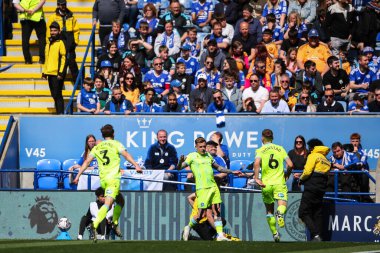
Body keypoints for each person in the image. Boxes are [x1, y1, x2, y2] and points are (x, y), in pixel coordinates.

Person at [73, 124, 142, 242]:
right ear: (113, 134)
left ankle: (114, 223)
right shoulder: (116, 144)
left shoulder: (97, 147)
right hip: (113, 180)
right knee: (108, 204)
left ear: (103, 135)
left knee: (120, 200)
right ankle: (94, 225)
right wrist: (136, 165)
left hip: (103, 180)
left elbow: (86, 162)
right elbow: (126, 155)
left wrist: (78, 176)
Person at [180, 137, 242, 241]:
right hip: (202, 188)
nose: (203, 149)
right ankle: (189, 227)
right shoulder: (192, 156)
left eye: (204, 146)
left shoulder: (208, 156)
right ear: (196, 147)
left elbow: (219, 168)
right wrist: (179, 162)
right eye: (200, 147)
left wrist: (232, 171)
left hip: (213, 187)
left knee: (217, 211)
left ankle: (220, 235)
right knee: (200, 215)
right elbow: (179, 167)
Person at [253, 129, 293, 242]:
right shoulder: (280, 149)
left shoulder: (260, 150)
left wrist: (257, 178)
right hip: (279, 183)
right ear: (272, 138)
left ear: (262, 138)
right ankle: (280, 213)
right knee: (282, 204)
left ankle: (275, 234)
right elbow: (290, 164)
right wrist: (287, 175)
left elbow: (256, 163)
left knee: (269, 211)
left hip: (266, 184)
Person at [298, 138, 331, 242]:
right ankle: (318, 237)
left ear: (313, 147)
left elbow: (307, 171)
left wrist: (301, 179)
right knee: (317, 213)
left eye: (309, 148)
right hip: (321, 189)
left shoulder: (313, 156)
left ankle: (316, 235)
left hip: (311, 187)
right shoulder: (326, 160)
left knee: (303, 212)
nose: (308, 150)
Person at [46, 0, 79, 83]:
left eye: (64, 4)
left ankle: (78, 83)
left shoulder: (71, 16)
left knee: (72, 63)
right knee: (60, 63)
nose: (63, 6)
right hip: (59, 42)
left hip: (70, 42)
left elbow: (76, 30)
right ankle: (59, 83)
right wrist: (50, 41)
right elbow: (48, 31)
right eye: (61, 5)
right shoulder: (53, 17)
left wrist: (75, 42)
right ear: (58, 5)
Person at [42, 21, 66, 115]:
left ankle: (60, 113)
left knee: (57, 94)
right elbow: (47, 59)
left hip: (57, 74)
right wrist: (44, 72)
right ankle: (58, 112)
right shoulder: (48, 43)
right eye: (51, 30)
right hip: (49, 73)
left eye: (55, 30)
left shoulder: (60, 43)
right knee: (54, 95)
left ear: (59, 31)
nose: (53, 32)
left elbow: (63, 58)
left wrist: (61, 73)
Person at [13, 0, 46, 64]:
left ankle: (27, 60)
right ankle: (42, 59)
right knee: (42, 39)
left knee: (25, 39)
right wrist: (34, 10)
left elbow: (15, 4)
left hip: (25, 16)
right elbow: (43, 1)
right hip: (38, 16)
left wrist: (24, 10)